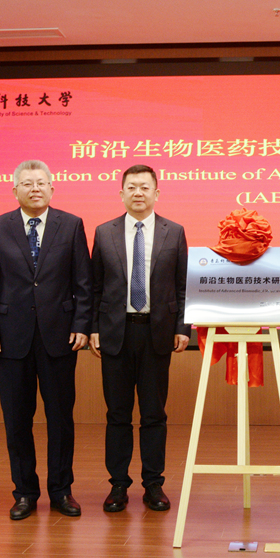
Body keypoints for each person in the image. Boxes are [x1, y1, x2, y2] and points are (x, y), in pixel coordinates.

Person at [0, 159, 92, 520]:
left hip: (60, 337)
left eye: (41, 183)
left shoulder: (71, 225)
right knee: (17, 419)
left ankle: (61, 490)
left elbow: (84, 282)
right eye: (27, 183)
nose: (35, 188)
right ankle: (25, 492)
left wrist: (82, 324)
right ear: (15, 190)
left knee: (60, 419)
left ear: (52, 188)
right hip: (11, 339)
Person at [90, 164, 190, 513]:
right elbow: (95, 286)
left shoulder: (173, 232)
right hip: (115, 333)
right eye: (131, 187)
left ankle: (153, 484)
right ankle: (118, 485)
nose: (138, 193)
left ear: (156, 193)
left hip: (156, 333)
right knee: (117, 413)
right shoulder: (104, 232)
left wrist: (182, 327)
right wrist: (93, 328)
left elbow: (182, 286)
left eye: (145, 187)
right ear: (121, 194)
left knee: (153, 413)